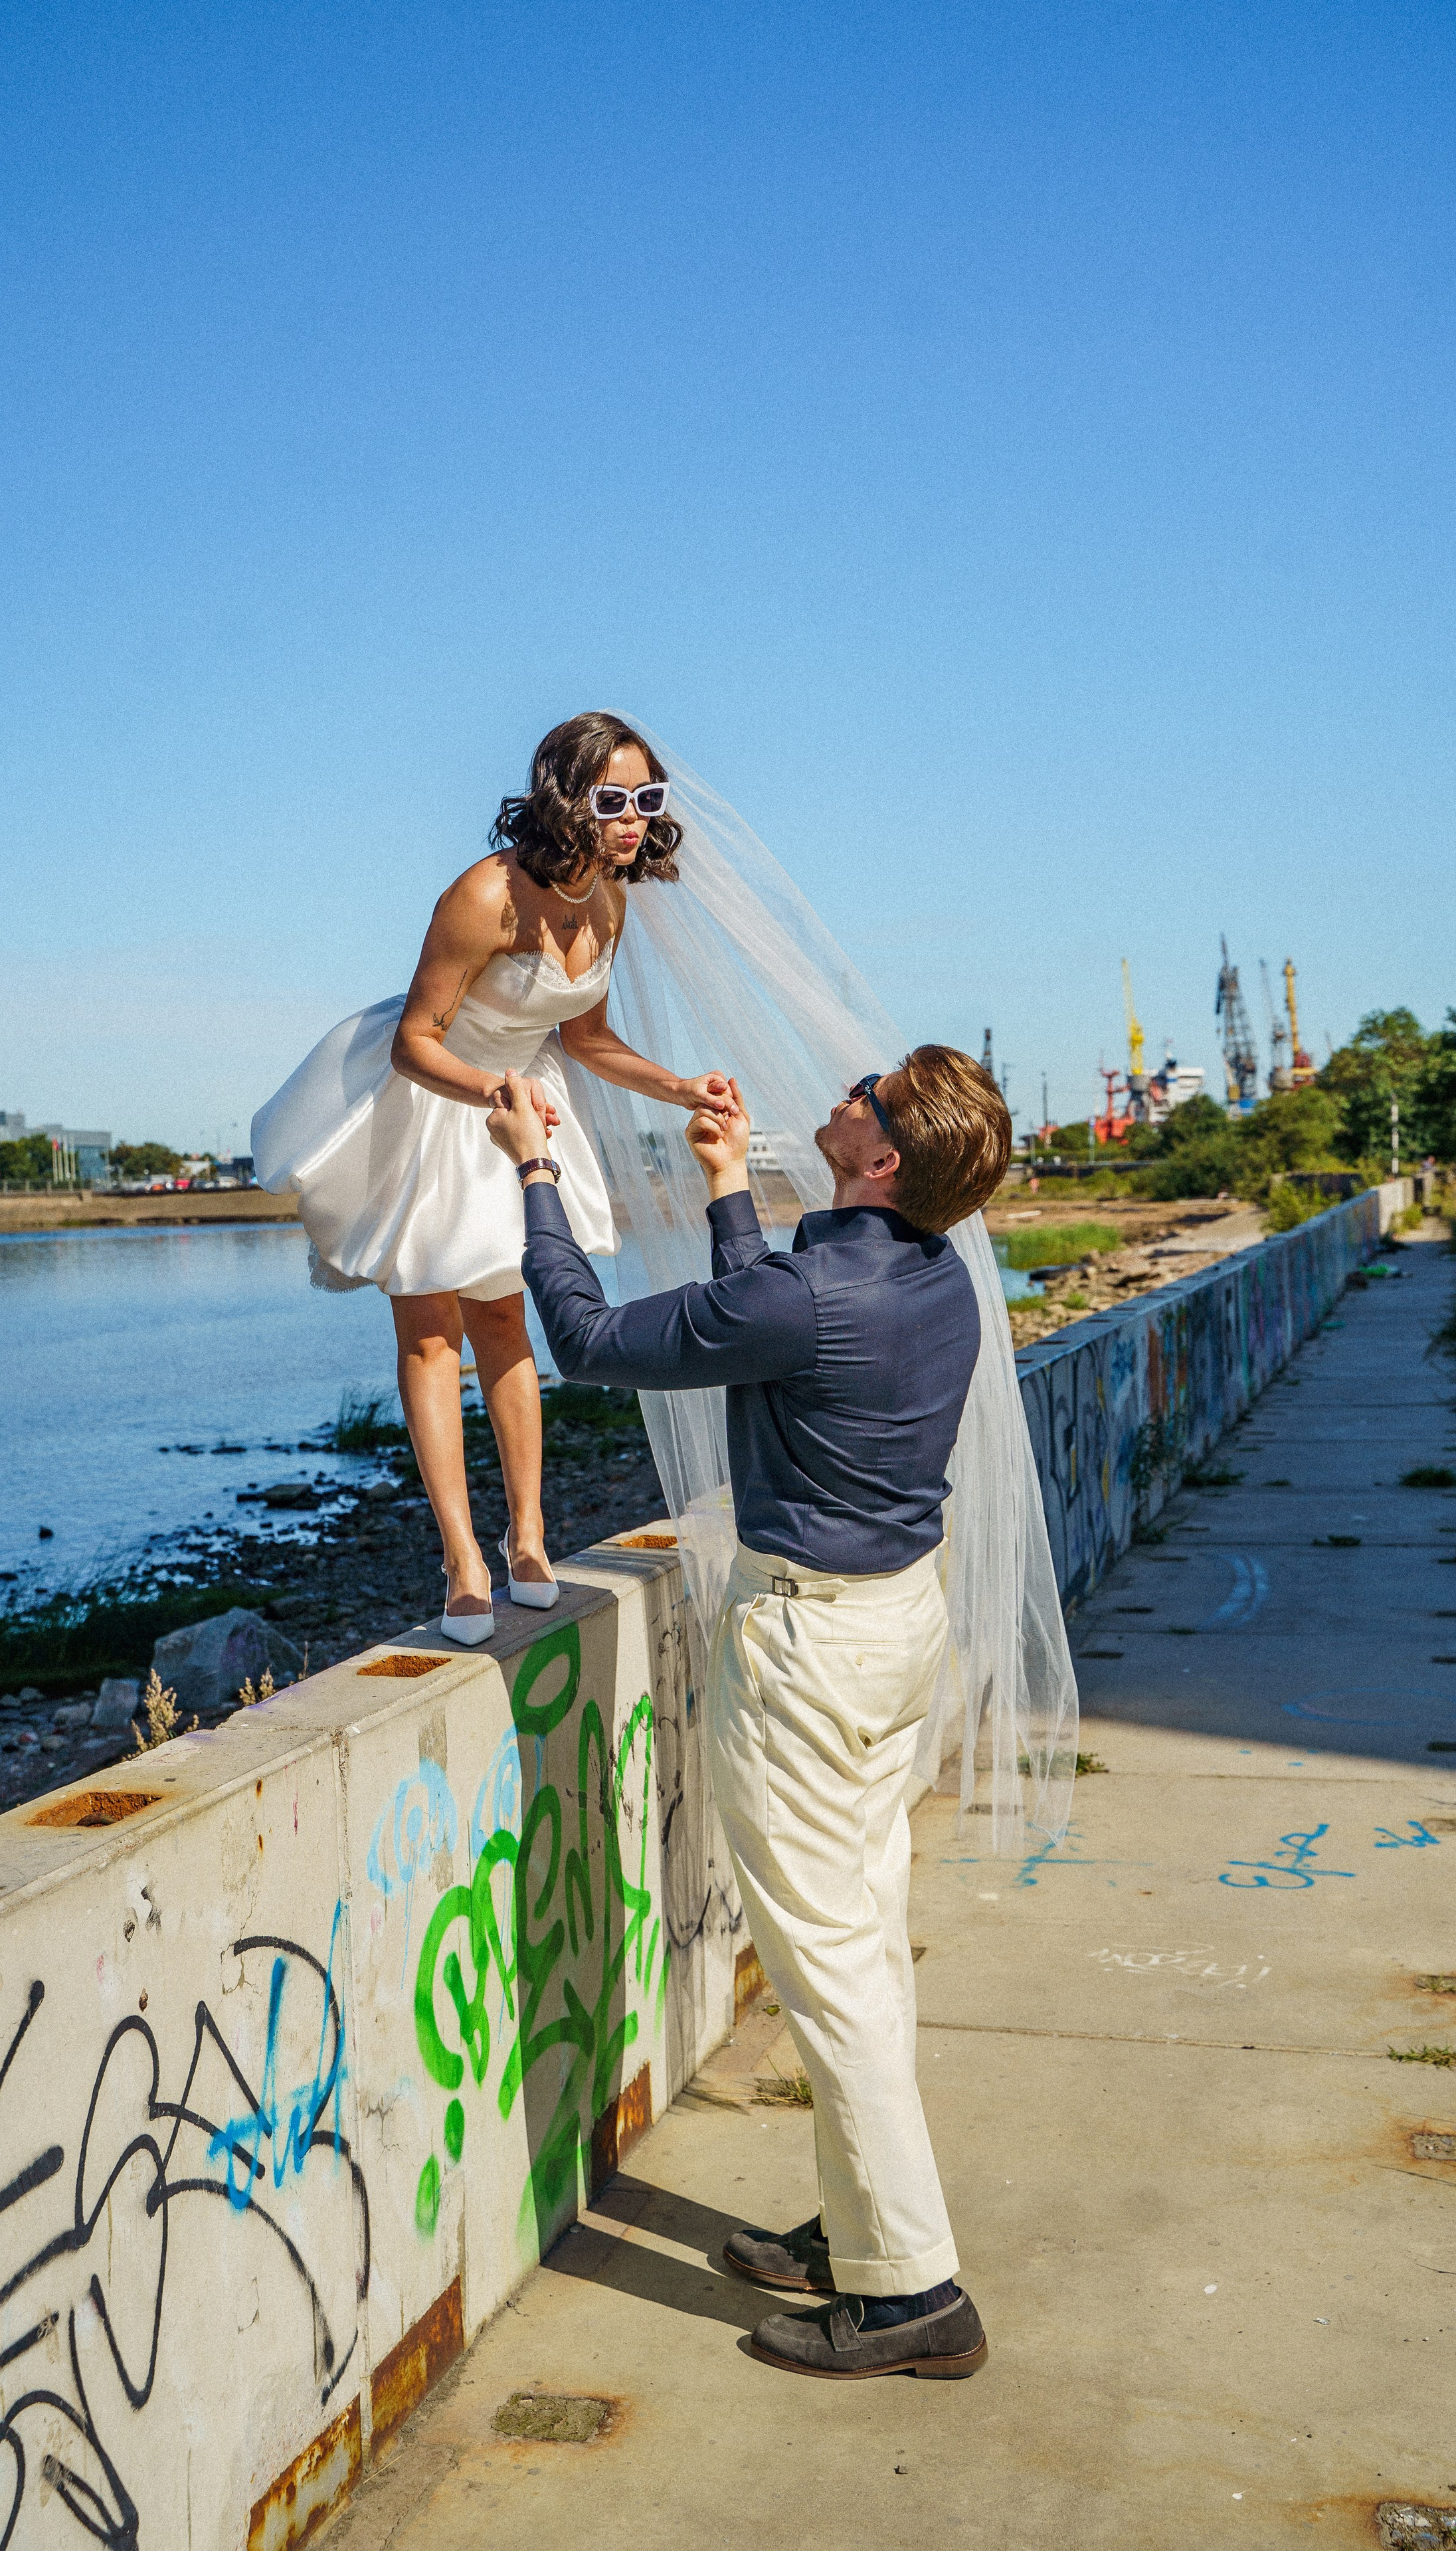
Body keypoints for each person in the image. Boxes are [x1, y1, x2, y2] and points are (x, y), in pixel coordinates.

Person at [485, 1046, 1010, 2382]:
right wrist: (726, 1191)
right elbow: (768, 1317)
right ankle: (862, 2232)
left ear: (879, 1159)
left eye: (866, 1091)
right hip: (896, 1635)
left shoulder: (814, 1289)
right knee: (863, 1945)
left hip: (812, 1652)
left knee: (829, 1976)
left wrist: (535, 1172)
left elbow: (594, 1342)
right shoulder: (933, 1273)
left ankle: (916, 2298)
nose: (845, 1089)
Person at [250, 713, 731, 1646]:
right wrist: (493, 1092)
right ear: (567, 799)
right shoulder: (483, 897)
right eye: (613, 800)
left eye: (648, 800)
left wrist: (678, 1087)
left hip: (523, 1100)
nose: (633, 820)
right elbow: (413, 1039)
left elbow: (582, 1037)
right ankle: (462, 1560)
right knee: (432, 1337)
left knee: (510, 1321)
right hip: (437, 1101)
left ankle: (530, 1536)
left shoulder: (611, 898)